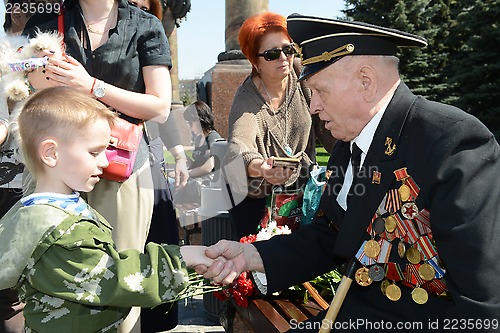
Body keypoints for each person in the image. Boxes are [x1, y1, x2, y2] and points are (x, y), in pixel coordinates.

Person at [199, 14, 500, 332]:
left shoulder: (452, 143)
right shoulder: (351, 144)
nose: (312, 107)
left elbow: (482, 305)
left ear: (366, 81)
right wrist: (249, 255)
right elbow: (330, 237)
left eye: (320, 91)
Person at [0, 87, 212, 333]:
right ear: (51, 153)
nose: (105, 161)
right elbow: (115, 280)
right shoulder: (58, 230)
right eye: (94, 152)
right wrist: (181, 259)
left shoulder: (43, 210)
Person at [23, 1, 173, 331]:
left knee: (123, 275)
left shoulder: (146, 25)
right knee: (50, 272)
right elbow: (32, 89)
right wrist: (41, 69)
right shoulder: (46, 21)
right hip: (55, 164)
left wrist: (91, 85)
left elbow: (160, 107)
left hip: (121, 165)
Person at [224, 12, 336, 239]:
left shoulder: (301, 74)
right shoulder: (247, 100)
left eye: (288, 49)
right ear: (254, 61)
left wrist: (352, 155)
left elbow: (327, 123)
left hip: (304, 194)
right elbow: (238, 146)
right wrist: (262, 168)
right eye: (272, 54)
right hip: (256, 201)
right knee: (259, 268)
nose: (283, 58)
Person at [171, 100, 222, 205]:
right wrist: (182, 158)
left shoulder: (213, 138)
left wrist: (187, 174)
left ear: (200, 120)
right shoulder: (199, 139)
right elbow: (196, 163)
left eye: (190, 123)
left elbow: (210, 166)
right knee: (171, 184)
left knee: (175, 188)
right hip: (197, 181)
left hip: (206, 184)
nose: (189, 127)